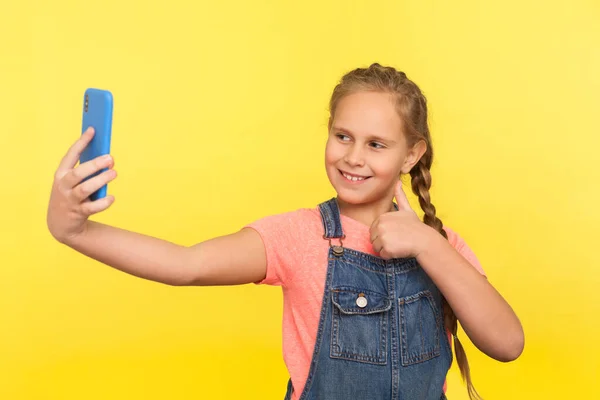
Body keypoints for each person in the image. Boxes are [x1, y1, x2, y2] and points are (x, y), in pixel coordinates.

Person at [47, 63, 524, 400]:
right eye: (343, 136)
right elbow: (185, 264)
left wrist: (425, 243)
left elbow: (507, 343)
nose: (354, 157)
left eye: (376, 144)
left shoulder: (442, 245)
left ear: (412, 155)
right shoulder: (300, 236)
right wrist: (75, 232)